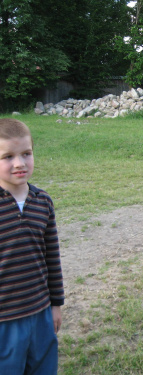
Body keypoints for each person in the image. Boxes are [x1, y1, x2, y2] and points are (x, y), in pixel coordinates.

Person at [0, 118, 64, 374]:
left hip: (40, 312)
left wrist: (56, 305)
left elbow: (52, 257)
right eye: (7, 156)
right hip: (4, 319)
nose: (19, 163)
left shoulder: (43, 202)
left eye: (26, 154)